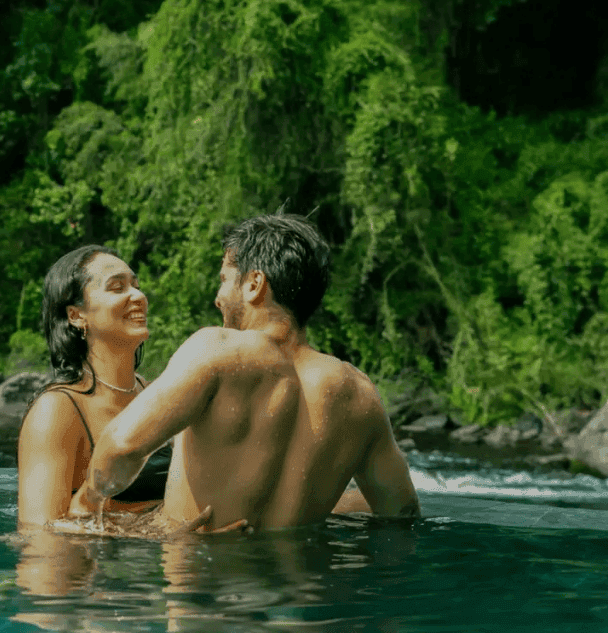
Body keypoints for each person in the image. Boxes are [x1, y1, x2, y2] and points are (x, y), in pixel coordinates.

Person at [68, 213, 420, 533]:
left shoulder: (219, 351)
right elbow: (401, 514)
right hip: (292, 591)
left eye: (224, 279)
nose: (218, 297)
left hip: (200, 586)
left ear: (254, 284)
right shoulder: (359, 393)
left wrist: (84, 508)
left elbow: (120, 446)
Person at [16, 245, 169, 528]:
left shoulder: (155, 395)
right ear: (76, 316)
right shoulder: (56, 412)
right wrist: (160, 530)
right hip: (98, 569)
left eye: (136, 285)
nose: (138, 296)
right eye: (117, 287)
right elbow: (40, 535)